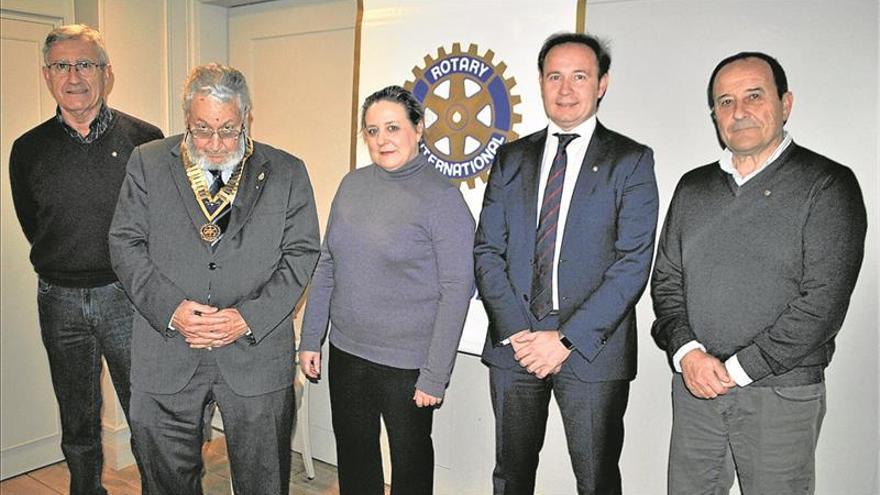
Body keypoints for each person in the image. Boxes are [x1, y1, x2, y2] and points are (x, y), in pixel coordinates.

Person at [651, 52, 867, 494]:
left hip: (781, 394)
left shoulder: (827, 185)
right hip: (696, 387)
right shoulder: (692, 189)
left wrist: (739, 368)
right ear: (715, 116)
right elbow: (667, 283)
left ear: (785, 104)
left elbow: (823, 303)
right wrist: (688, 354)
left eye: (754, 95)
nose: (740, 111)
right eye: (725, 102)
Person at [108, 63, 320, 494]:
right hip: (166, 350)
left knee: (264, 480)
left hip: (254, 355)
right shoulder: (147, 163)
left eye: (228, 129)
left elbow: (301, 255)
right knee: (165, 480)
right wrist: (172, 310)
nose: (216, 143)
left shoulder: (287, 171)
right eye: (203, 128)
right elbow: (124, 244)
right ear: (187, 117)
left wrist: (248, 317)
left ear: (247, 118)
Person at [474, 32, 659, 494]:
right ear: (540, 82)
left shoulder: (630, 161)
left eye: (580, 76)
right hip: (514, 346)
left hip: (592, 351)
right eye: (554, 76)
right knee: (510, 476)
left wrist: (565, 339)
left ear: (602, 84)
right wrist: (519, 332)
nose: (565, 88)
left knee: (597, 480)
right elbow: (486, 251)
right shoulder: (511, 158)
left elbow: (633, 263)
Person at [8, 24, 163, 495]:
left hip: (127, 296)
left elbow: (160, 222)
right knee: (76, 417)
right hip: (59, 300)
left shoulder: (146, 140)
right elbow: (34, 222)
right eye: (62, 65)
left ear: (106, 73)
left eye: (85, 64)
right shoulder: (27, 149)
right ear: (46, 74)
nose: (73, 76)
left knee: (147, 411)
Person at [299, 85, 474, 495]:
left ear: (419, 128)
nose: (382, 140)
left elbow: (456, 290)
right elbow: (328, 264)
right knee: (356, 462)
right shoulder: (352, 185)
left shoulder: (442, 199)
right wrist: (311, 338)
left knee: (411, 469)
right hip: (347, 354)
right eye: (372, 130)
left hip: (407, 366)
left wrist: (435, 375)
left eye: (393, 127)